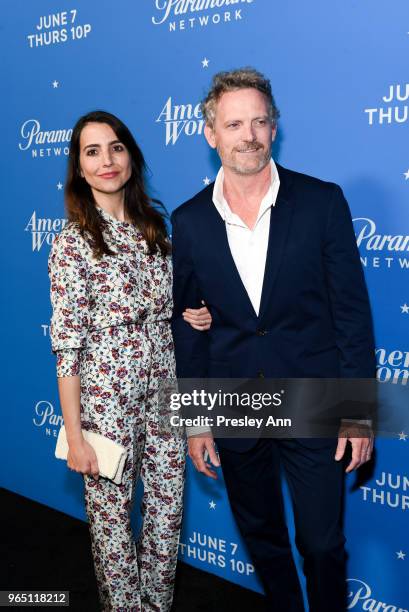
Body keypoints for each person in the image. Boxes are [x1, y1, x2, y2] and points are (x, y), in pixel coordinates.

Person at [171, 69, 375, 612]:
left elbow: (352, 315)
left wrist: (358, 412)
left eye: (260, 120)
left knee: (322, 544)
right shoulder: (188, 221)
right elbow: (187, 325)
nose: (250, 134)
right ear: (211, 133)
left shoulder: (320, 202)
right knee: (263, 539)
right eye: (234, 123)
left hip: (313, 399)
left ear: (274, 128)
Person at [48, 110, 211, 612]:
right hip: (105, 402)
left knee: (166, 514)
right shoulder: (72, 244)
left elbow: (170, 313)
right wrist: (75, 436)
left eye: (115, 147)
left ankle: (156, 606)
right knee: (113, 526)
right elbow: (67, 345)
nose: (106, 160)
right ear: (79, 168)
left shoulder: (155, 231)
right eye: (92, 151)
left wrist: (194, 317)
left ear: (131, 157)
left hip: (165, 391)